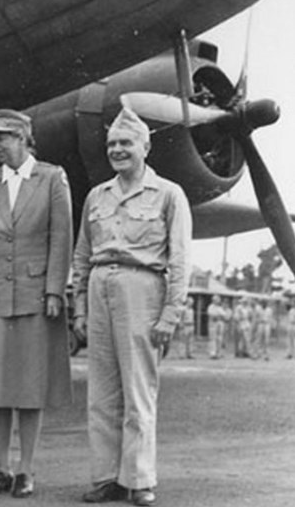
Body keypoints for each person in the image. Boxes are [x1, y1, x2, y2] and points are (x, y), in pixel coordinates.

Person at [71, 105, 192, 506]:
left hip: (143, 290)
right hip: (99, 286)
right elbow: (82, 255)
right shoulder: (96, 196)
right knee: (101, 393)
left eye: (126, 143)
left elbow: (179, 261)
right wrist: (80, 310)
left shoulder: (169, 194)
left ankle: (139, 479)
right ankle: (107, 478)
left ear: (146, 146)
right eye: (112, 144)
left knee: (139, 390)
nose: (118, 150)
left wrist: (169, 315)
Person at [0, 109, 73, 499]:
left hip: (35, 296)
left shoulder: (52, 178)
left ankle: (26, 469)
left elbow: (61, 237)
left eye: (3, 137)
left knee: (29, 389)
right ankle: (1, 467)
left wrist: (56, 290)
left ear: (24, 138)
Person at [207, 295, 227, 359]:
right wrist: (219, 315)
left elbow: (224, 315)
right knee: (213, 338)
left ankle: (218, 353)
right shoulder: (211, 307)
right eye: (216, 300)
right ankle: (213, 353)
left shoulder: (219, 307)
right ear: (213, 300)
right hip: (213, 323)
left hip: (220, 323)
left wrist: (220, 316)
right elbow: (211, 314)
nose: (218, 301)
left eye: (218, 300)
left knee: (219, 338)